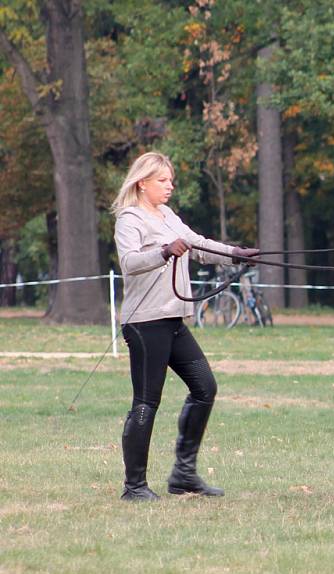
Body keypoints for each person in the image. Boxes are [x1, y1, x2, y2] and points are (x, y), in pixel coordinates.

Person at [110, 151, 260, 501]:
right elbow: (129, 262)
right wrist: (163, 251)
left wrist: (235, 253)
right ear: (142, 183)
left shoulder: (167, 215)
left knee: (205, 387)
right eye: (162, 180)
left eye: (171, 180)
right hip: (145, 324)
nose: (170, 186)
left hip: (173, 320)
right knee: (146, 402)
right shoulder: (129, 219)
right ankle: (134, 486)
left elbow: (199, 245)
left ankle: (183, 475)